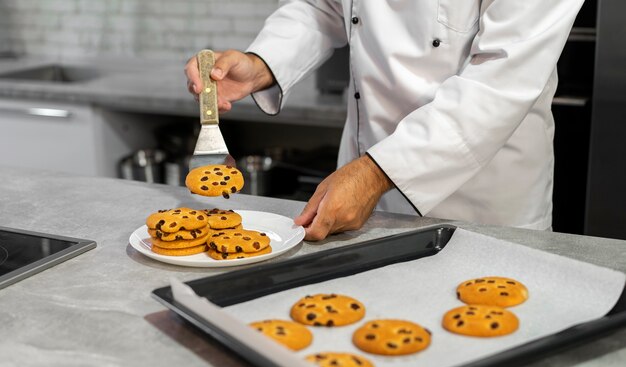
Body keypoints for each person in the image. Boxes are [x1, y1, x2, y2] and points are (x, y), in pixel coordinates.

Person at [185, 0, 584, 241]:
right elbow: (322, 6)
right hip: (362, 175)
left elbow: (502, 78)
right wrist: (262, 63)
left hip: (484, 199)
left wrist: (377, 172)